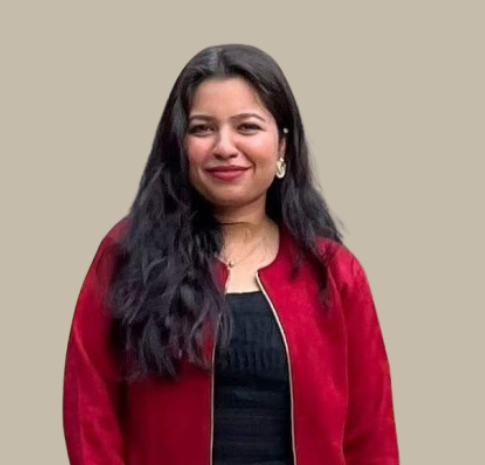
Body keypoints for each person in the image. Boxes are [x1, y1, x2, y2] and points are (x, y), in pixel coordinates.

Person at [63, 44, 399, 465]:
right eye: (202, 128)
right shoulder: (128, 257)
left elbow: (372, 434)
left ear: (282, 145)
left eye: (247, 127)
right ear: (180, 145)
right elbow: (89, 409)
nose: (224, 146)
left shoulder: (333, 272)